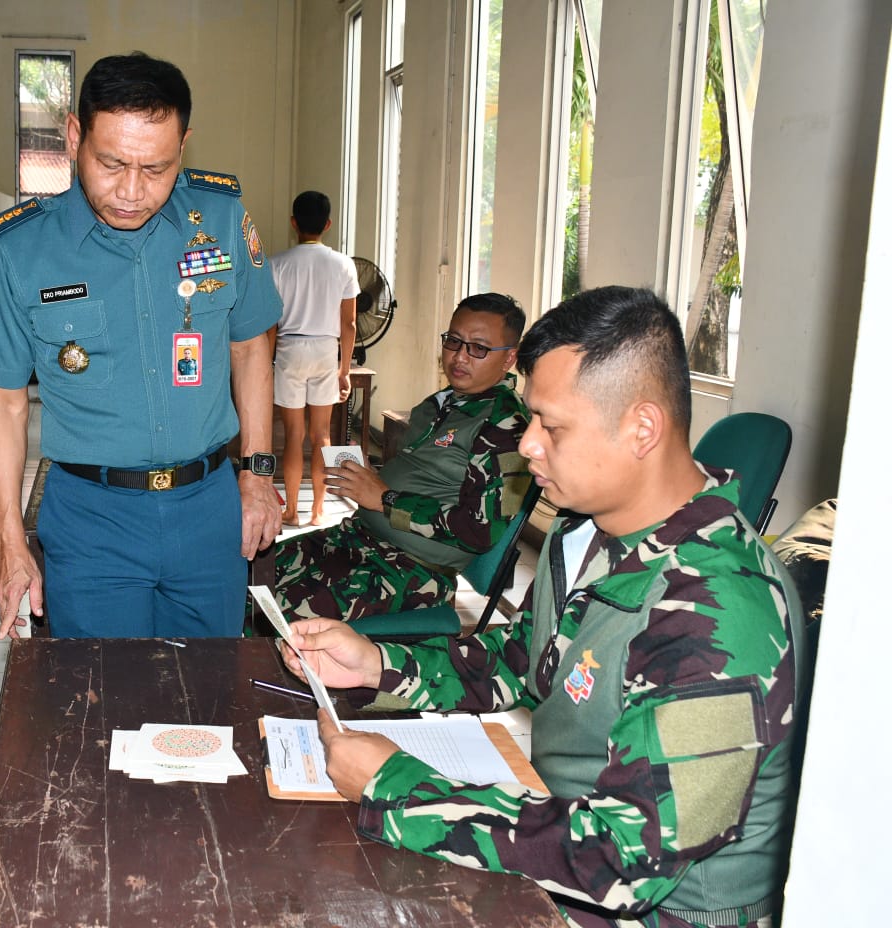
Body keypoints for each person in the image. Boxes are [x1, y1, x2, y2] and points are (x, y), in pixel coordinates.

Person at [280, 286, 803, 928]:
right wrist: (376, 665)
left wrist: (397, 788)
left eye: (551, 426)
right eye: (530, 420)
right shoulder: (585, 532)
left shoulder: (719, 604)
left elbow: (624, 865)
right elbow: (522, 657)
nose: (527, 446)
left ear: (641, 428)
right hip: (565, 840)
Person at [0, 51, 284, 639]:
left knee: (210, 699)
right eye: (111, 163)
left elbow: (249, 347)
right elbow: (3, 402)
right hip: (91, 519)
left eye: (156, 168)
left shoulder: (222, 218)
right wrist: (8, 541)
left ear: (184, 145)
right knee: (102, 705)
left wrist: (258, 474)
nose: (132, 191)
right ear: (74, 134)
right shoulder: (19, 249)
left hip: (209, 509)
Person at [275, 293, 531, 622]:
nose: (459, 357)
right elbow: (418, 475)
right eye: (453, 341)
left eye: (478, 348)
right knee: (247, 577)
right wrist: (370, 475)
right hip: (357, 539)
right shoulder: (439, 404)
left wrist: (384, 498)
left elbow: (477, 532)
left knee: (277, 615)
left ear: (509, 358)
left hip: (410, 570)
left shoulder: (505, 427)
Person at [266, 190, 359, 527]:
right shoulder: (344, 264)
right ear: (328, 224)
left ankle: (291, 509)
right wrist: (344, 369)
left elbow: (271, 324)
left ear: (294, 223)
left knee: (293, 436)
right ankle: (318, 511)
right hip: (325, 349)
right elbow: (349, 323)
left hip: (290, 348)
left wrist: (267, 363)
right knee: (322, 435)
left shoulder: (277, 264)